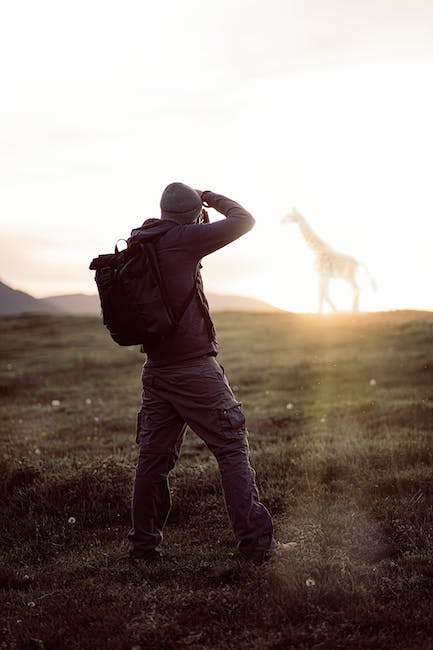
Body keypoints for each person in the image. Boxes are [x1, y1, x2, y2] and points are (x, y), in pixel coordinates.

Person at [127, 182, 276, 565]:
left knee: (152, 461)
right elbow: (245, 221)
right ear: (192, 214)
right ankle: (256, 546)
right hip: (194, 369)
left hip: (156, 371)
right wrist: (210, 197)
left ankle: (143, 549)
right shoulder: (185, 239)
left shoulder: (141, 241)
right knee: (231, 447)